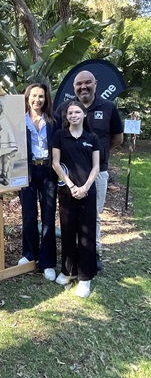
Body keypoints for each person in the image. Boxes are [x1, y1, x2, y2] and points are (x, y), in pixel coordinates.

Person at [54, 70, 123, 270]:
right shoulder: (63, 108)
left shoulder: (108, 107)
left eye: (88, 83)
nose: (83, 87)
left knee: (94, 214)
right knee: (70, 215)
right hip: (69, 173)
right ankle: (73, 253)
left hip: (97, 171)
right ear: (74, 87)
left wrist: (96, 156)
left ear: (96, 83)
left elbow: (117, 139)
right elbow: (57, 137)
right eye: (79, 84)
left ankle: (94, 252)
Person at [52, 100, 100, 298]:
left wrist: (85, 188)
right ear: (66, 116)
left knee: (87, 234)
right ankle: (68, 271)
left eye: (77, 112)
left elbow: (96, 167)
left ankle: (85, 278)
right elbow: (55, 163)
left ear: (84, 114)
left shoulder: (93, 137)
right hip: (67, 191)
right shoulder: (59, 136)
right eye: (70, 112)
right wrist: (71, 186)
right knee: (68, 231)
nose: (73, 115)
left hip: (87, 192)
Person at [18, 84, 58, 281]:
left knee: (48, 217)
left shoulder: (52, 121)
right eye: (34, 96)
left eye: (41, 96)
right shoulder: (19, 120)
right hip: (27, 171)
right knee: (28, 215)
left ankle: (48, 261)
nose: (37, 100)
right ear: (27, 98)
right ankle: (29, 254)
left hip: (49, 170)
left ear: (46, 99)